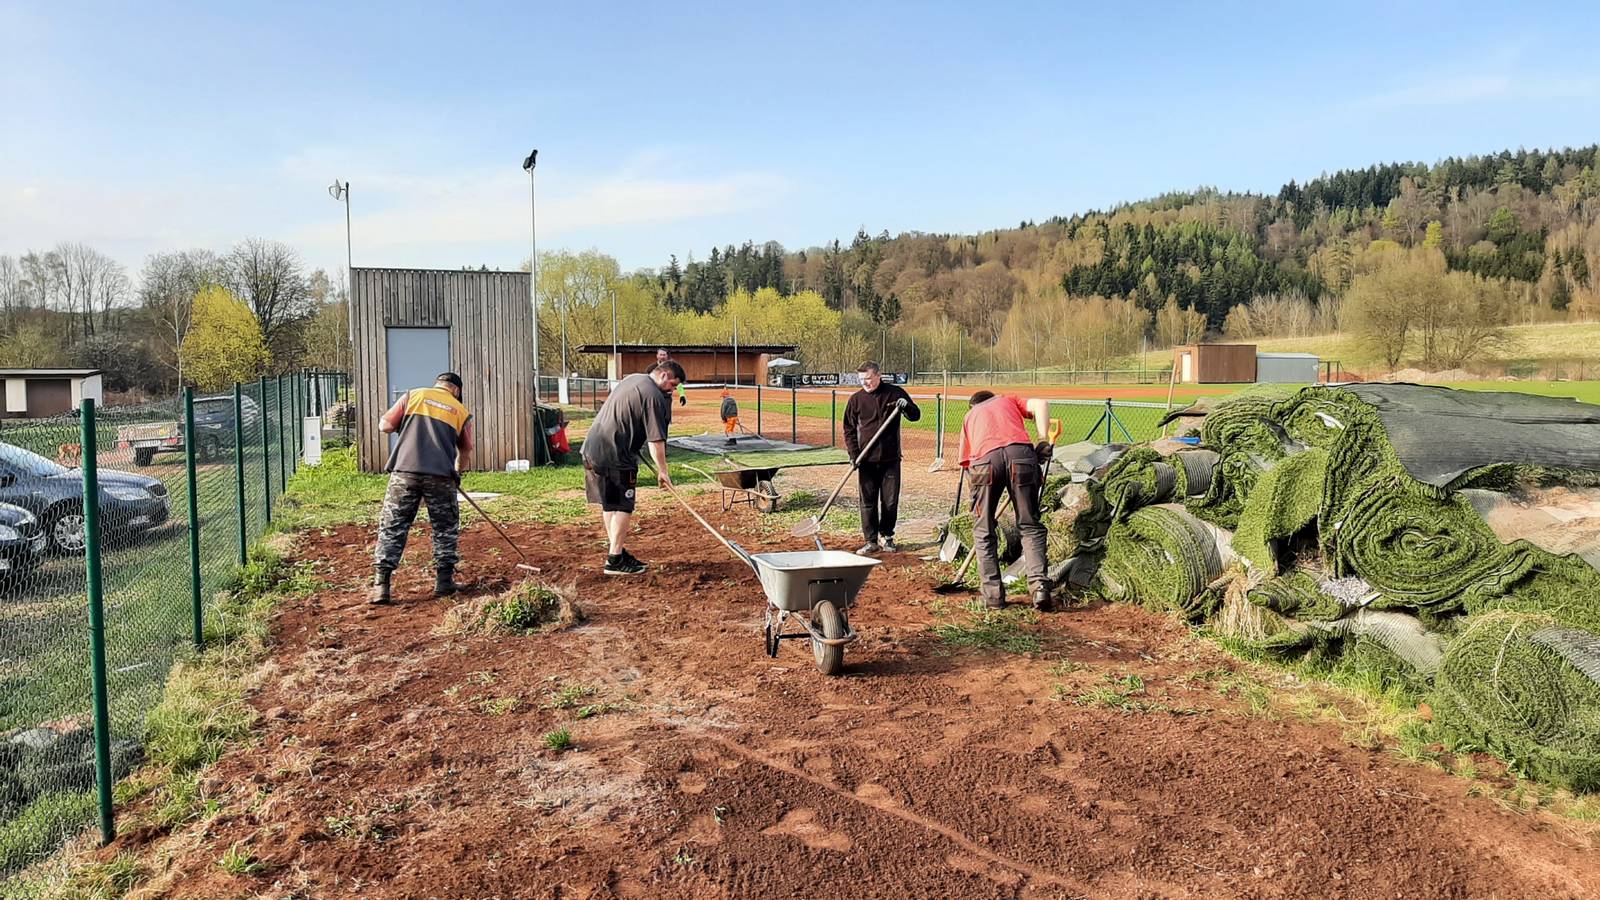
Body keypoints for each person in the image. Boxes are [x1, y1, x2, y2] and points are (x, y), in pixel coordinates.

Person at [371, 372, 475, 605]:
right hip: (440, 477)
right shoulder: (459, 410)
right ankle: (444, 582)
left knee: (393, 526)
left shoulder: (413, 396)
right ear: (456, 390)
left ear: (438, 384)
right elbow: (466, 449)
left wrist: (407, 426)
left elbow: (385, 426)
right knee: (445, 527)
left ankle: (381, 586)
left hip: (404, 473)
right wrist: (457, 473)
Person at [582, 360, 685, 575]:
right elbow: (656, 441)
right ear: (664, 375)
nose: (672, 390)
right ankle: (614, 560)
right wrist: (663, 471)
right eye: (673, 385)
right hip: (616, 456)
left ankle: (616, 552)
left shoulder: (634, 378)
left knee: (610, 505)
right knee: (623, 506)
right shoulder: (653, 396)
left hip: (593, 450)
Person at [957, 390, 1053, 611]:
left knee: (984, 530)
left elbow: (968, 465)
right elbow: (1041, 403)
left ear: (973, 405)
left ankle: (993, 597)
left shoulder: (970, 416)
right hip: (1021, 455)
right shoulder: (1006, 399)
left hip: (984, 462)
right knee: (1030, 525)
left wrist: (981, 499)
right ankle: (1039, 586)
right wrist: (1042, 441)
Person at [843, 362, 920, 554]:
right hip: (866, 460)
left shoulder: (895, 393)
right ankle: (870, 540)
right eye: (861, 380)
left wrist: (907, 407)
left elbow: (915, 416)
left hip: (890, 459)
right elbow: (849, 430)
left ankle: (887, 536)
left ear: (879, 375)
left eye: (868, 379)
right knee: (867, 501)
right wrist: (854, 455)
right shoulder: (856, 400)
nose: (865, 383)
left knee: (890, 501)